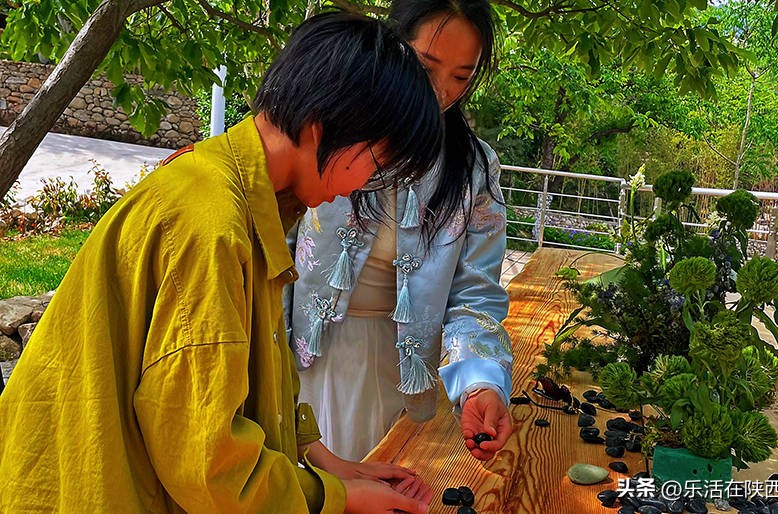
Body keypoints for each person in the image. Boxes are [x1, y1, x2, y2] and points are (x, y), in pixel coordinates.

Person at [0, 12, 442, 514]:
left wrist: (325, 462)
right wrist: (334, 498)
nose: (366, 185)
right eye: (375, 163)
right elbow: (206, 462)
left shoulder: (245, 198)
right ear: (325, 127)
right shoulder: (211, 225)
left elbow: (251, 374)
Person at [285, 0, 513, 463]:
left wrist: (479, 382)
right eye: (426, 66)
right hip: (304, 354)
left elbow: (475, 293)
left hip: (407, 371)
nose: (440, 91)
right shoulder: (326, 126)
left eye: (461, 77)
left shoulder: (472, 169)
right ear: (391, 47)